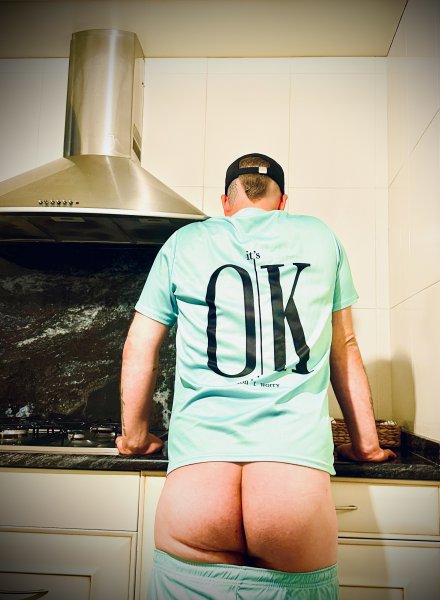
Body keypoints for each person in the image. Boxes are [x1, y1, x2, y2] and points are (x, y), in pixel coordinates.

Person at [116, 153, 396, 599]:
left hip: (197, 495)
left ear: (225, 202)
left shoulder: (184, 242)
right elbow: (344, 347)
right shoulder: (320, 236)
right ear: (283, 202)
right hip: (293, 498)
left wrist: (134, 438)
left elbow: (139, 346)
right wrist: (366, 446)